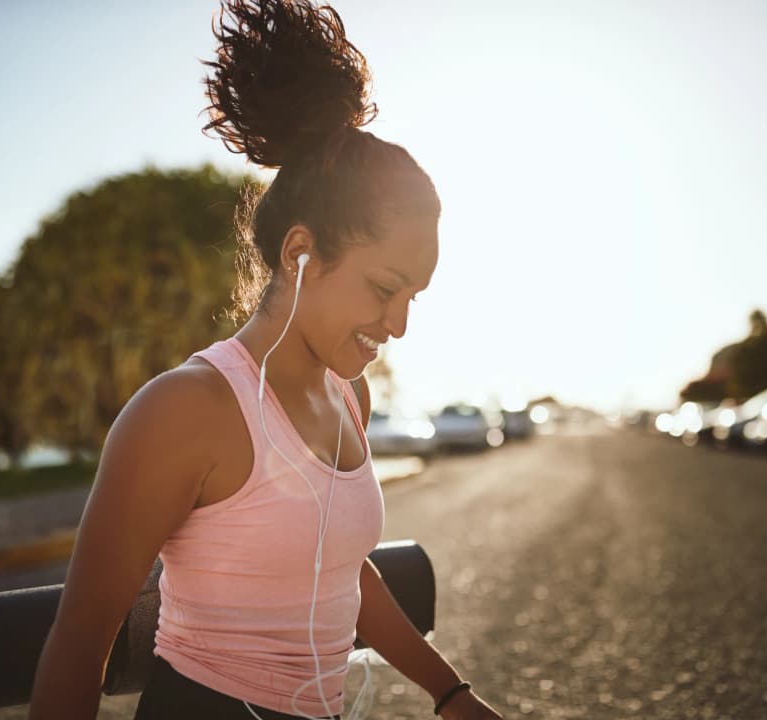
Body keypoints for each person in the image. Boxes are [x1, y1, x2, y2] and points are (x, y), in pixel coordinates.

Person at [28, 1, 504, 718]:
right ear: (300, 253)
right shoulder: (186, 411)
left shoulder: (350, 397)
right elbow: (81, 639)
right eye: (384, 288)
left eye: (415, 296)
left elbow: (341, 574)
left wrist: (450, 691)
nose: (399, 325)